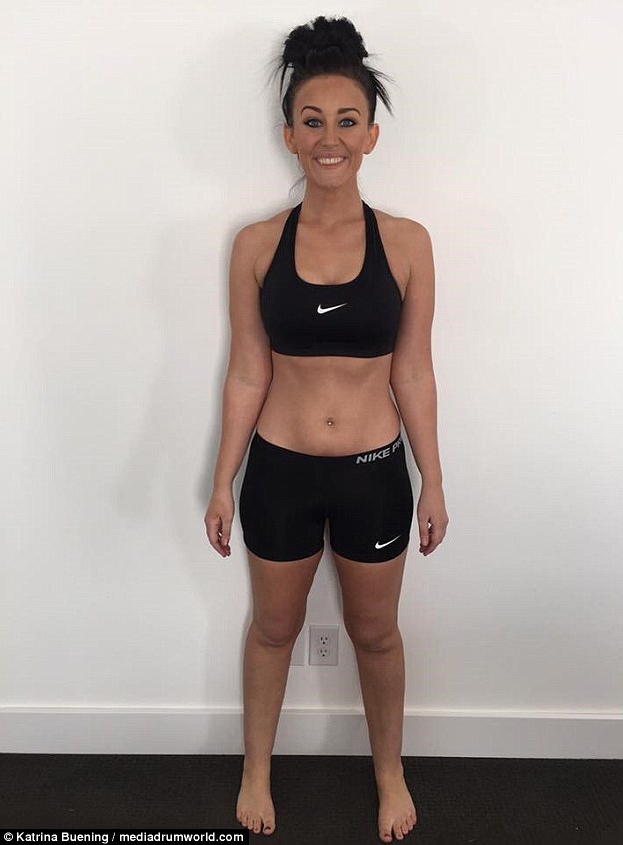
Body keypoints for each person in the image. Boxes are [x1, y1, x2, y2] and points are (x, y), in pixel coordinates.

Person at [204, 15, 449, 843]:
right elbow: (248, 372)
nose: (329, 137)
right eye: (312, 121)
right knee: (272, 628)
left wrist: (434, 479)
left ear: (372, 135)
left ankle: (389, 772)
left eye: (347, 121)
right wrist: (222, 480)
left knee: (375, 634)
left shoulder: (408, 244)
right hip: (280, 472)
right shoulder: (255, 246)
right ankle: (256, 770)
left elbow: (413, 371)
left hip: (375, 473)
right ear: (289, 135)